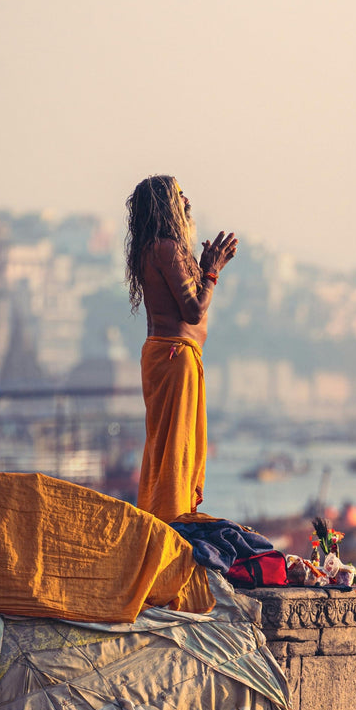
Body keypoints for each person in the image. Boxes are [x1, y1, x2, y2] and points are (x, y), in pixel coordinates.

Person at [125, 175, 237, 522]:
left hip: (170, 357)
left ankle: (163, 519)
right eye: (179, 194)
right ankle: (172, 524)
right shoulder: (166, 248)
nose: (187, 200)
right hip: (175, 358)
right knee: (175, 449)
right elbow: (193, 310)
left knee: (168, 447)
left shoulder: (157, 249)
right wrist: (212, 272)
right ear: (166, 205)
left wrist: (203, 268)